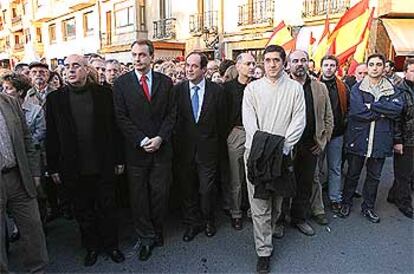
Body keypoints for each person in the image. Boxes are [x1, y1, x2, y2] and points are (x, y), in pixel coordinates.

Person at [46, 54, 125, 266]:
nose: (70, 70)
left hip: (103, 164)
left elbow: (114, 130)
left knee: (107, 208)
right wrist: (52, 167)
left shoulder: (103, 94)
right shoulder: (55, 99)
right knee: (83, 211)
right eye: (67, 67)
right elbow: (51, 136)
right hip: (74, 167)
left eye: (76, 66)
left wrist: (119, 159)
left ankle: (112, 246)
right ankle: (91, 247)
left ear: (86, 70)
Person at [242, 45, 306, 274]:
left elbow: (299, 121)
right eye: (267, 60)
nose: (271, 64)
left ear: (283, 62)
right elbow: (249, 123)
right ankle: (264, 251)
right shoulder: (252, 89)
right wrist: (262, 149)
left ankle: (267, 234)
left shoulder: (295, 89)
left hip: (282, 156)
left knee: (276, 202)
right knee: (259, 203)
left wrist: (284, 148)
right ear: (263, 62)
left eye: (276, 60)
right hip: (257, 156)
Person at [113, 39, 175, 261]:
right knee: (139, 197)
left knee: (160, 194)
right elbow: (121, 117)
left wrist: (159, 138)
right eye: (134, 55)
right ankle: (146, 237)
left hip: (161, 149)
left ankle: (157, 230)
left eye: (142, 55)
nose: (137, 59)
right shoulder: (121, 84)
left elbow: (171, 114)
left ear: (151, 57)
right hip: (136, 152)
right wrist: (141, 140)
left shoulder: (166, 82)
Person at [340, 54, 403, 223]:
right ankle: (346, 202)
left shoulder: (393, 90)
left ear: (384, 68)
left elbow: (396, 110)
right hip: (359, 138)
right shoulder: (357, 88)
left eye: (379, 64)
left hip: (380, 141)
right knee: (353, 174)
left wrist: (372, 105)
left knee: (374, 177)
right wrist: (383, 111)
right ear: (367, 67)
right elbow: (358, 112)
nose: (375, 68)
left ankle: (368, 207)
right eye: (372, 64)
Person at [173, 51, 227, 242]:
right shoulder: (177, 91)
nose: (189, 69)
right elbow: (174, 121)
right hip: (184, 151)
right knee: (188, 190)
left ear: (204, 69)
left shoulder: (217, 91)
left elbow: (223, 122)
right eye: (187, 65)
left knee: (206, 190)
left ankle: (208, 220)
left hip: (209, 151)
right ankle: (191, 224)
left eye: (194, 66)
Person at [0, 92, 48, 273]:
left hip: (18, 176)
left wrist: (35, 171)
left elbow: (27, 138)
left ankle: (38, 269)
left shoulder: (9, 101)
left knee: (33, 228)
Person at [287, 50, 333, 235]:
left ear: (309, 63)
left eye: (303, 60)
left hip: (310, 144)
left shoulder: (319, 87)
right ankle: (280, 220)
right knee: (284, 184)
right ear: (288, 64)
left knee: (305, 184)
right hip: (286, 145)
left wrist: (323, 140)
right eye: (295, 60)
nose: (300, 64)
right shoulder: (282, 86)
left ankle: (299, 218)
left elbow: (328, 116)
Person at [224, 52, 256, 230]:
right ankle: (236, 212)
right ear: (238, 66)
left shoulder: (260, 87)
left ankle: (253, 210)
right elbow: (223, 114)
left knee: (253, 175)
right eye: (247, 64)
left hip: (256, 134)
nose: (251, 67)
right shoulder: (228, 88)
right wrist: (229, 135)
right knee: (236, 177)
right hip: (236, 132)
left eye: (253, 64)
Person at [319, 55, 349, 213]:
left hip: (337, 134)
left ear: (336, 68)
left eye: (332, 65)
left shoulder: (343, 87)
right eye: (326, 65)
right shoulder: (314, 85)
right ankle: (314, 201)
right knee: (315, 170)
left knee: (335, 168)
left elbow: (348, 108)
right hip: (317, 135)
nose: (329, 68)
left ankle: (335, 198)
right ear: (321, 67)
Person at [387, 57, 414, 219]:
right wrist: (397, 141)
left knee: (409, 171)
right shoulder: (399, 90)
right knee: (404, 173)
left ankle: (392, 194)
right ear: (405, 72)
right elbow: (396, 118)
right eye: (412, 71)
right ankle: (404, 203)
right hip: (405, 138)